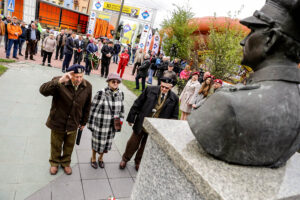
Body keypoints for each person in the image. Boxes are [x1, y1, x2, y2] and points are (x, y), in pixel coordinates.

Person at [39, 64, 92, 175]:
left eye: (81, 76)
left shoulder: (87, 86)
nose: (79, 79)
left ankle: (66, 162)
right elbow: (42, 90)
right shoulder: (59, 81)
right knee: (56, 144)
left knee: (69, 145)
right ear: (69, 74)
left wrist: (83, 122)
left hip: (74, 122)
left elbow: (87, 106)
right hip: (58, 120)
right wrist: (60, 81)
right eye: (76, 76)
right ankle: (54, 163)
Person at [120, 77, 179, 171]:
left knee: (145, 147)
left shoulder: (174, 99)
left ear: (171, 87)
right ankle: (125, 159)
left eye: (166, 88)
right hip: (142, 123)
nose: (163, 89)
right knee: (133, 143)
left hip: (156, 128)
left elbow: (174, 116)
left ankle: (138, 161)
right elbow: (137, 103)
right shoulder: (150, 89)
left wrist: (168, 129)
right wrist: (131, 118)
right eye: (162, 86)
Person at [88, 73, 124, 169]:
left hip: (112, 126)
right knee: (96, 143)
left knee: (107, 144)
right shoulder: (101, 93)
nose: (115, 83)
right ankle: (93, 158)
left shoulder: (120, 94)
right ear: (108, 82)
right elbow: (93, 109)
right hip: (100, 125)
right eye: (113, 81)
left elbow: (122, 110)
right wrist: (91, 124)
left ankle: (100, 158)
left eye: (117, 82)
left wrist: (120, 123)